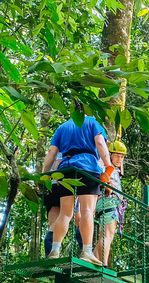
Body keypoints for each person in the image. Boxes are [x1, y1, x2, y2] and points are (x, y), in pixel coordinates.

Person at [42, 100, 113, 266]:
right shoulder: (92, 122)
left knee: (66, 212)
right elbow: (100, 143)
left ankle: (55, 250)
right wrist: (108, 165)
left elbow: (52, 152)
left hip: (66, 169)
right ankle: (86, 251)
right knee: (87, 209)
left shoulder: (63, 127)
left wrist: (45, 175)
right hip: (87, 167)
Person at [93, 140, 127, 266]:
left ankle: (95, 259)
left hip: (105, 202)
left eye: (122, 157)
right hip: (110, 201)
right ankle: (104, 264)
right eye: (117, 155)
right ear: (110, 154)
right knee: (108, 236)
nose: (120, 159)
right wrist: (107, 185)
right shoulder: (105, 165)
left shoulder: (111, 168)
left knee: (104, 235)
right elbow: (102, 176)